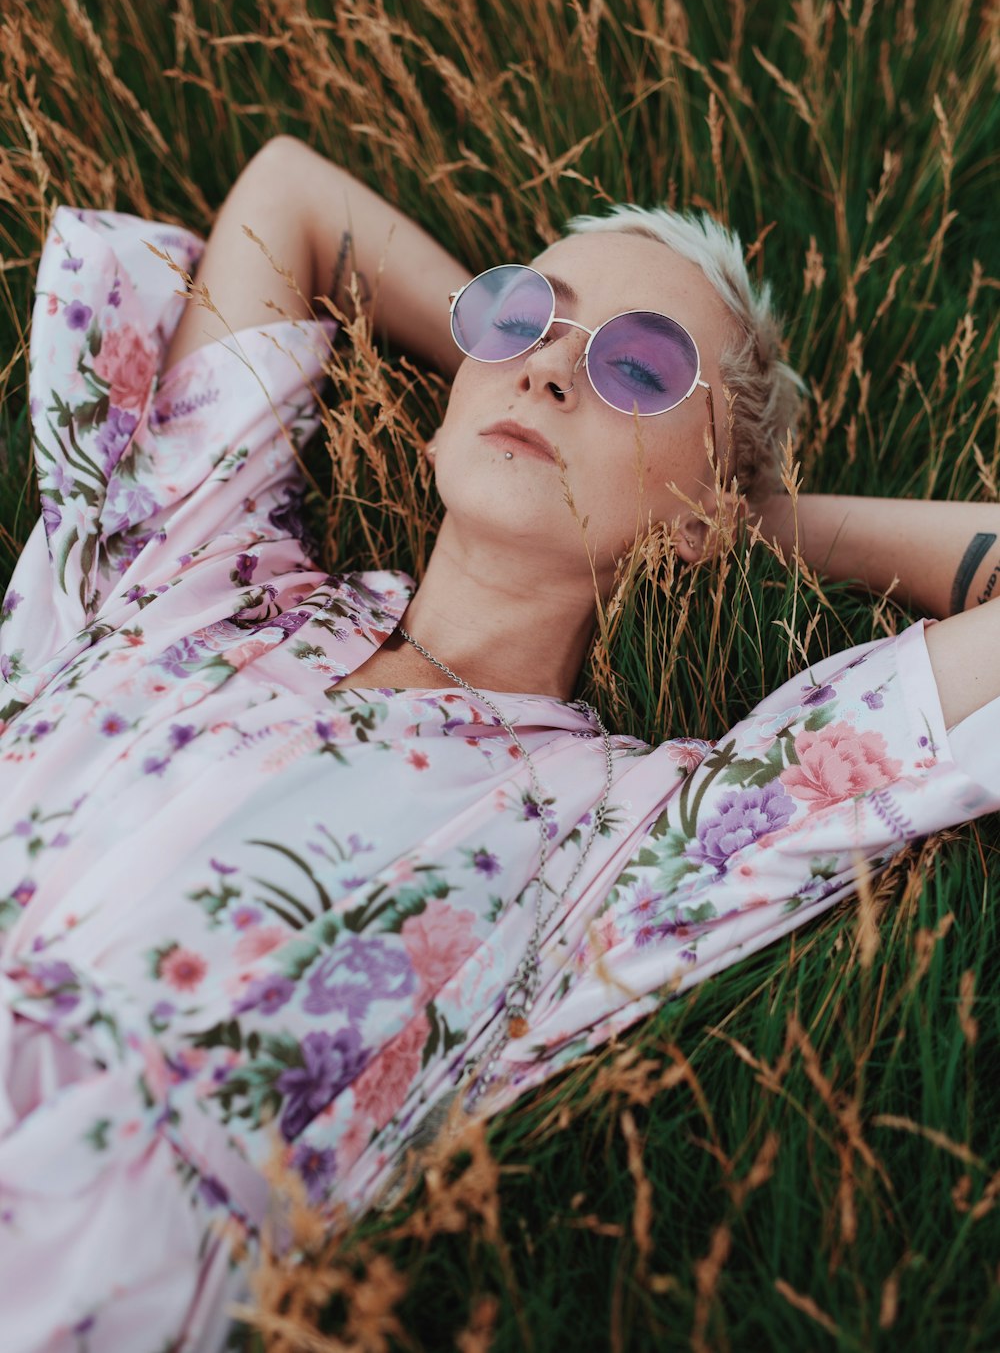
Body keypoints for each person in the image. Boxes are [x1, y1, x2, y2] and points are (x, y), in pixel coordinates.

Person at [1, 135, 998, 1351]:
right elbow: (291, 194)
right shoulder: (207, 573)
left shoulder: (616, 839)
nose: (549, 370)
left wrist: (754, 522)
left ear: (703, 514)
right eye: (523, 315)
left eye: (639, 366)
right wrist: (528, 352)